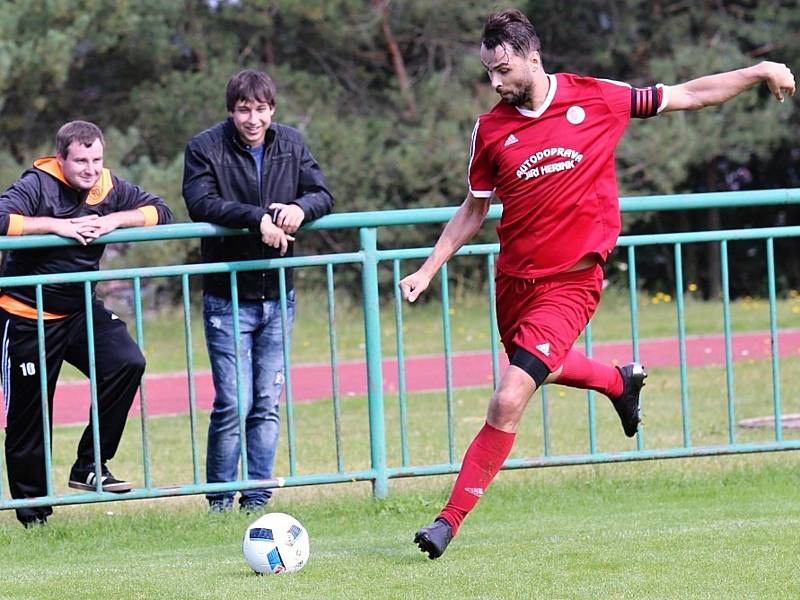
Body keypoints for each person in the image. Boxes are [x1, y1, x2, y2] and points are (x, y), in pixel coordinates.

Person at [400, 9, 795, 559]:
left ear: (533, 57)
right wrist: (428, 268)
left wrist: (757, 70)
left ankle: (448, 521)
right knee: (539, 367)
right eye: (489, 72)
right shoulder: (489, 129)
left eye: (504, 70)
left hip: (572, 281)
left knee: (510, 394)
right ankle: (617, 381)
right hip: (514, 281)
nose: (495, 83)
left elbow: (689, 94)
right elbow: (473, 210)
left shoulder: (598, 98)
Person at [0, 120, 173, 527]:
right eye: (81, 160)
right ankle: (34, 518)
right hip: (27, 316)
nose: (90, 169)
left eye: (97, 159)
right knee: (29, 419)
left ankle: (89, 464)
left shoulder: (108, 186)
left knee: (127, 361)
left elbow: (161, 211)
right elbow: (1, 219)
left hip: (79, 312)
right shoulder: (37, 184)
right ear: (61, 159)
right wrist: (57, 226)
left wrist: (114, 221)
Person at [182, 69, 334, 513]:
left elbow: (322, 193)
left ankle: (258, 500)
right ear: (231, 111)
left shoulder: (291, 142)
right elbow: (200, 203)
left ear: (273, 109)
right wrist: (257, 217)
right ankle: (219, 503)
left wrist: (299, 208)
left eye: (261, 109)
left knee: (266, 402)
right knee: (233, 402)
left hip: (279, 295)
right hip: (226, 297)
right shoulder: (203, 147)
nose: (253, 118)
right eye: (244, 109)